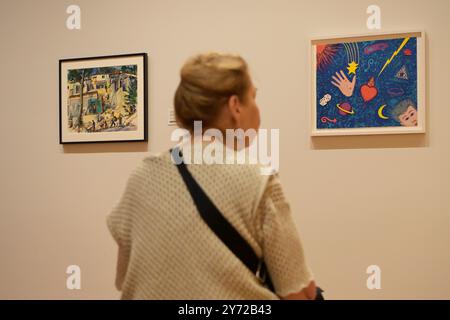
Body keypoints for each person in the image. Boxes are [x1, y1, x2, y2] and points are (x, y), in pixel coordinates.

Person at [107, 52, 316, 300]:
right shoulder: (258, 179)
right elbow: (299, 292)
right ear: (235, 106)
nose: (257, 110)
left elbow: (125, 280)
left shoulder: (141, 177)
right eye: (254, 98)